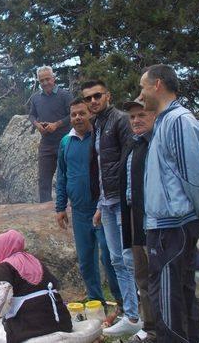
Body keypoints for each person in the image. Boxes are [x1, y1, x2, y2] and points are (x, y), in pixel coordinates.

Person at [140, 64, 199, 342]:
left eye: (143, 86)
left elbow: (195, 175)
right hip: (165, 224)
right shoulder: (162, 122)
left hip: (172, 225)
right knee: (182, 295)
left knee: (168, 300)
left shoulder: (180, 121)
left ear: (158, 84)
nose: (141, 93)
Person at [82, 80, 141, 337]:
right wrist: (99, 203)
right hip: (106, 202)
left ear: (108, 95)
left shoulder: (119, 120)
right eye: (89, 98)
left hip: (122, 201)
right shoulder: (97, 124)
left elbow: (127, 160)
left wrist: (127, 198)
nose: (93, 101)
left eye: (97, 96)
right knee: (115, 260)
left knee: (129, 259)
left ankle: (139, 315)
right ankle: (130, 314)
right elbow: (100, 168)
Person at [55, 98, 122, 309]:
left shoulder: (99, 137)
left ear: (90, 114)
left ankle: (123, 301)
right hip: (79, 211)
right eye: (74, 114)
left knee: (109, 257)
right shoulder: (66, 142)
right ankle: (96, 301)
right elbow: (62, 176)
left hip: (102, 208)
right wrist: (60, 207)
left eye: (82, 113)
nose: (78, 118)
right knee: (85, 260)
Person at [0, 230, 72, 342]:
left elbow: (3, 300)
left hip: (31, 326)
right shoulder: (35, 260)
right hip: (61, 321)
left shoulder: (5, 266)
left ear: (2, 249)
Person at [119, 98, 156, 343]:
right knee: (142, 274)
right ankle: (151, 328)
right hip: (134, 215)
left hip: (154, 219)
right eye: (132, 117)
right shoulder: (133, 144)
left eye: (141, 115)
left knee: (158, 275)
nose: (136, 120)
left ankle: (169, 328)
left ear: (154, 115)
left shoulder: (156, 143)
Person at [28, 66, 73, 203]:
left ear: (54, 78)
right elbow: (32, 115)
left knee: (67, 176)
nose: (45, 83)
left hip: (65, 142)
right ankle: (44, 209)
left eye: (47, 79)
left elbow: (72, 115)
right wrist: (37, 125)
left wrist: (56, 124)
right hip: (46, 143)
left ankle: (69, 207)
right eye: (42, 80)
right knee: (43, 179)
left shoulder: (65, 95)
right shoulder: (36, 98)